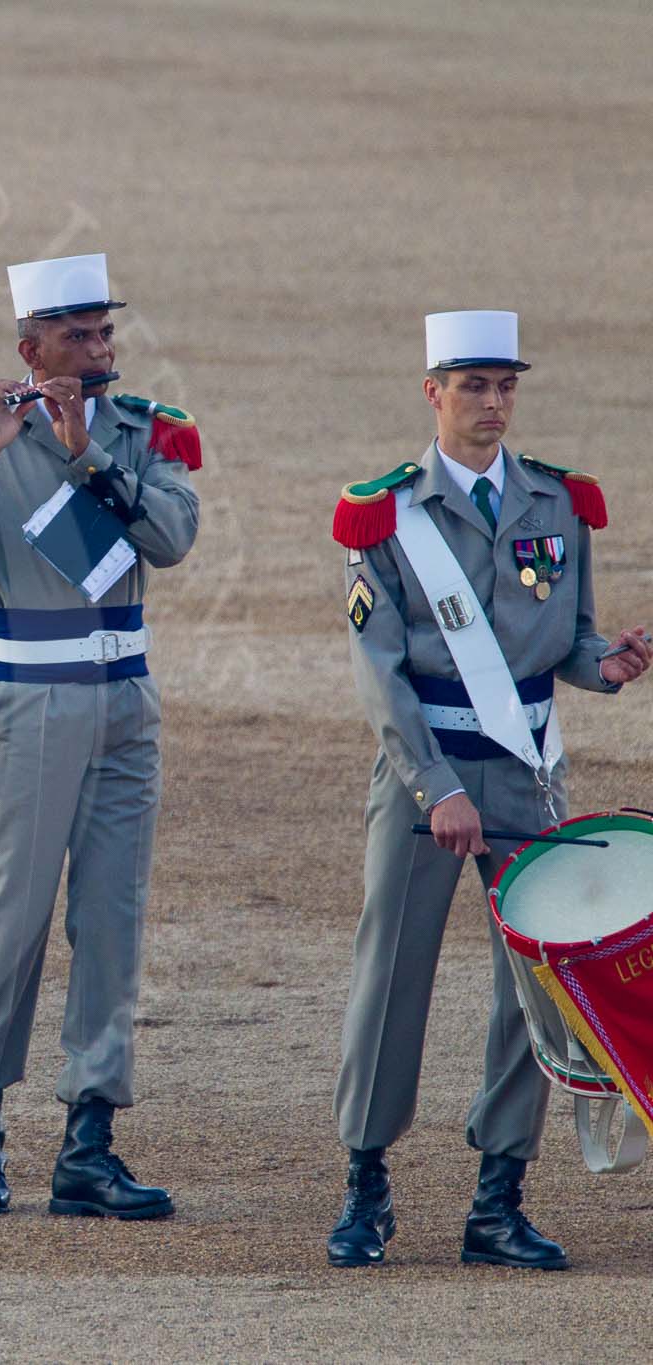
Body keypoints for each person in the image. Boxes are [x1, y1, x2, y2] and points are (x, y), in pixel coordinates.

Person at [325, 310, 651, 1271]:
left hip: (525, 772)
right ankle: (365, 1187)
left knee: (537, 991)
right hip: (428, 774)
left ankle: (498, 1197)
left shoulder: (559, 503)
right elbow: (378, 673)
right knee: (392, 979)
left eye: (507, 384)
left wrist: (612, 662)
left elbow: (568, 644)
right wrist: (433, 788)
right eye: (474, 384)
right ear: (433, 392)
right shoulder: (385, 515)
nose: (494, 402)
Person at [0, 253, 201, 1219]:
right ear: (28, 346)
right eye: (79, 334)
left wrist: (88, 455)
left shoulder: (145, 431)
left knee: (112, 921)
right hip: (29, 699)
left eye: (106, 331)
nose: (100, 347)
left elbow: (170, 541)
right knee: (15, 914)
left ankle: (89, 1140)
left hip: (126, 699)